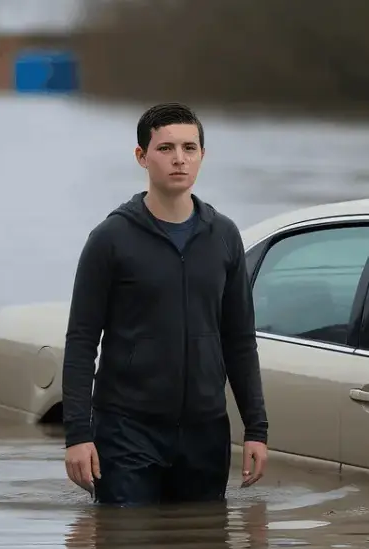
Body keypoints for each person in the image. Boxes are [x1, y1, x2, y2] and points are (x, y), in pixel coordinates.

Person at [61, 102, 269, 505]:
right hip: (127, 431)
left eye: (190, 148)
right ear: (142, 156)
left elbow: (240, 340)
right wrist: (78, 436)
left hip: (205, 432)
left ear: (202, 156)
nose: (179, 159)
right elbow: (82, 342)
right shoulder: (110, 239)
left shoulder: (223, 236)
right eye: (166, 148)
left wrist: (256, 430)